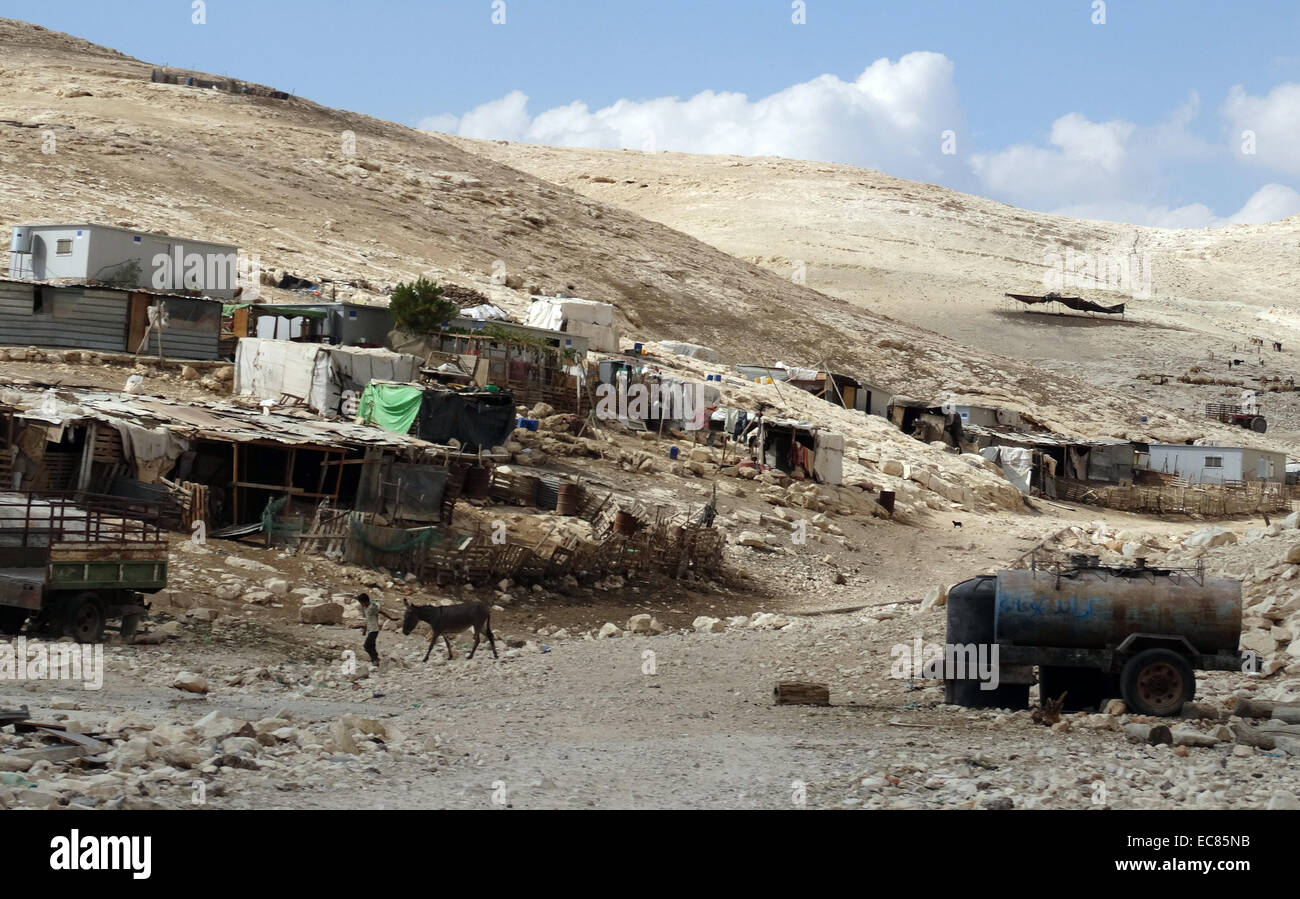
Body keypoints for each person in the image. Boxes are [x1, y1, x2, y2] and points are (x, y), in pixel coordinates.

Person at [356, 594, 398, 665]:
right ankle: (375, 660)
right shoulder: (365, 608)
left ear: (366, 601)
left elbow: (381, 612)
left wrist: (391, 618)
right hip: (370, 630)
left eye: (361, 602)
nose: (361, 604)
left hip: (374, 630)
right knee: (371, 645)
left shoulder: (372, 607)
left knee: (366, 646)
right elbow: (367, 619)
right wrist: (364, 629)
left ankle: (375, 659)